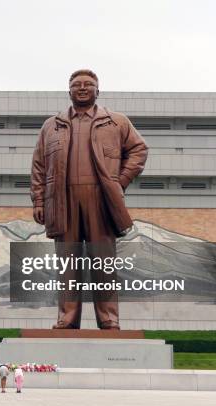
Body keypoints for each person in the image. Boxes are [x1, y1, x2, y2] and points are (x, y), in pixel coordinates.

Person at [31, 69, 148, 330]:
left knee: (103, 262)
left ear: (98, 90)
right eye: (76, 85)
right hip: (63, 200)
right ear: (68, 91)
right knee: (68, 264)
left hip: (101, 200)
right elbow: (39, 165)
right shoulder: (52, 125)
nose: (82, 88)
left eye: (88, 84)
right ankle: (67, 317)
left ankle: (108, 318)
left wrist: (121, 181)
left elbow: (139, 149)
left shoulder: (116, 122)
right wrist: (39, 201)